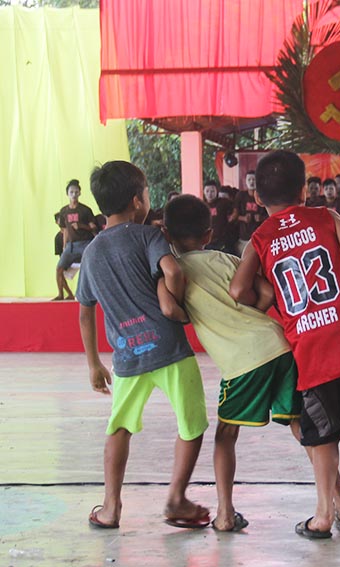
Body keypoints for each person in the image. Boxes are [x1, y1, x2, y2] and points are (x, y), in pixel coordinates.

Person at [158, 194, 340, 532]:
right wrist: (249, 319)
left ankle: (224, 514)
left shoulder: (171, 275)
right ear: (209, 234)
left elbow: (170, 311)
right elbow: (266, 295)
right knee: (303, 428)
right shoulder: (225, 259)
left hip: (241, 362)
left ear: (165, 234)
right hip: (278, 344)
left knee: (225, 435)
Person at [230, 150, 340, 540]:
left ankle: (323, 515)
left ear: (257, 198)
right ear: (304, 190)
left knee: (322, 433)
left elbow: (238, 289)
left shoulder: (261, 237)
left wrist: (268, 297)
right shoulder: (327, 218)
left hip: (310, 347)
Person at [76, 161, 209, 530]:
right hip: (169, 348)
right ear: (137, 201)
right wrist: (175, 305)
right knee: (192, 423)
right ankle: (176, 498)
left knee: (119, 427)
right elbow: (174, 271)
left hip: (127, 356)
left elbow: (85, 312)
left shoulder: (90, 254)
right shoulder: (148, 237)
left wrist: (93, 364)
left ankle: (110, 507)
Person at [54, 179, 97, 300]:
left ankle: (92, 294)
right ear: (67, 194)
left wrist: (81, 226)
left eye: (76, 192)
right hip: (71, 245)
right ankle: (61, 294)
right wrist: (64, 246)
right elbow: (65, 230)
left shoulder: (85, 210)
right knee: (59, 268)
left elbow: (93, 227)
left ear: (80, 193)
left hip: (85, 243)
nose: (74, 194)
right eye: (71, 192)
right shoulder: (64, 211)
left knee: (89, 268)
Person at [235, 170, 267, 256]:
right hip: (244, 237)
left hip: (260, 238)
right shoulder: (241, 196)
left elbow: (270, 216)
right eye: (249, 179)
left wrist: (261, 218)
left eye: (254, 179)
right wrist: (243, 218)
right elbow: (234, 215)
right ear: (245, 181)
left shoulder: (263, 196)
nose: (251, 182)